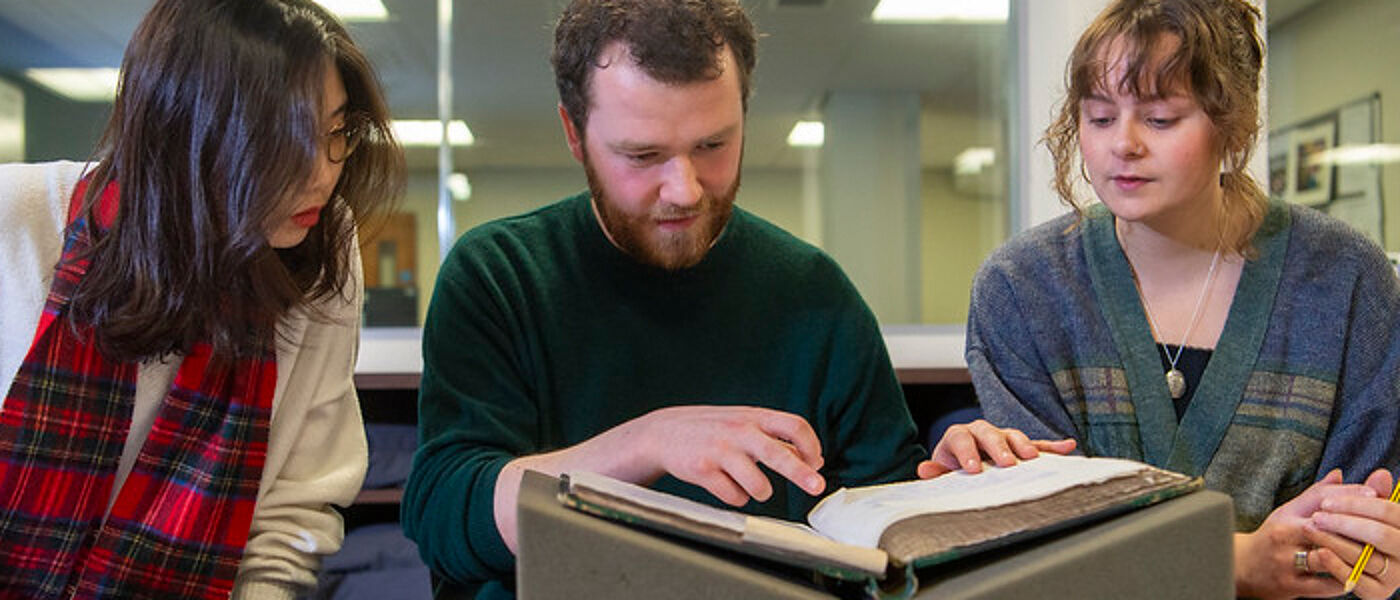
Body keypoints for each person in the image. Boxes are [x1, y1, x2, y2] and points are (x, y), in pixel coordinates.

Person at [400, 1, 1071, 597]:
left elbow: (884, 535)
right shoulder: (500, 276)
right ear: (575, 135)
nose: (685, 189)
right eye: (642, 156)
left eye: (712, 146)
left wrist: (956, 488)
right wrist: (647, 443)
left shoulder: (813, 294)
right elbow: (445, 516)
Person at [963, 0, 1400, 598]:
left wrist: (1369, 559)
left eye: (1161, 119)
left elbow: (1366, 518)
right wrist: (1235, 561)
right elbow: (1040, 547)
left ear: (1233, 123)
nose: (1124, 144)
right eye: (1098, 117)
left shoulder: (1344, 278)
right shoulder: (1022, 288)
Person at [0, 0, 404, 598]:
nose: (321, 173)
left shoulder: (321, 242)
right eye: (282, 143)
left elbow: (293, 510)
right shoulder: (18, 217)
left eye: (336, 132)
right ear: (183, 129)